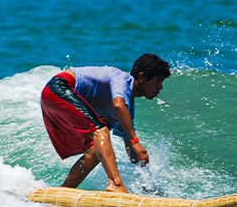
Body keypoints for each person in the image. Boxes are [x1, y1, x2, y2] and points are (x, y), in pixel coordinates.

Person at [40, 53, 171, 193]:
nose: (161, 87)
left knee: (95, 151)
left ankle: (63, 192)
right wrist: (136, 141)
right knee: (101, 131)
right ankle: (116, 184)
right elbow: (118, 106)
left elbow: (132, 151)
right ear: (142, 77)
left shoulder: (127, 109)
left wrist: (146, 185)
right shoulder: (122, 79)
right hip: (58, 88)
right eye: (158, 81)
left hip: (54, 98)